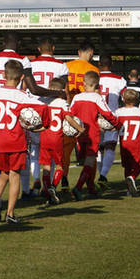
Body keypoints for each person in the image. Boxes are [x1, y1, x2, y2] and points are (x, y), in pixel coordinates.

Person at [0, 33, 62, 200]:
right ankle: (23, 192)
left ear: (3, 43)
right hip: (16, 114)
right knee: (21, 157)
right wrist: (57, 93)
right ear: (19, 43)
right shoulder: (23, 59)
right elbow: (33, 88)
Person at [0, 60, 48, 224]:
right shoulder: (22, 96)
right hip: (16, 140)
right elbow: (44, 108)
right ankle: (10, 214)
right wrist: (44, 125)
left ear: (2, 75)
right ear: (22, 77)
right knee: (15, 176)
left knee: (3, 173)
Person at [29, 36, 70, 195]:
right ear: (53, 48)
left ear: (38, 49)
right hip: (54, 111)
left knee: (34, 150)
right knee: (52, 155)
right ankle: (50, 186)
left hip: (34, 109)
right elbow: (64, 90)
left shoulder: (30, 64)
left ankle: (36, 180)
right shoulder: (61, 65)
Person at [69, 71, 118, 200]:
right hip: (92, 134)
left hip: (79, 133)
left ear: (84, 84)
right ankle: (78, 187)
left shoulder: (77, 97)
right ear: (97, 85)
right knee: (90, 161)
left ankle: (90, 187)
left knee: (86, 161)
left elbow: (70, 114)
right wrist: (117, 124)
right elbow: (107, 113)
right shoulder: (97, 98)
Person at [62, 40, 100, 191]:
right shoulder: (93, 70)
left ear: (78, 52)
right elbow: (96, 93)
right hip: (85, 112)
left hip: (68, 111)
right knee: (91, 151)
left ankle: (63, 179)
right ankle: (89, 182)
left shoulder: (67, 66)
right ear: (91, 53)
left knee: (66, 149)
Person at [39, 77, 84, 205]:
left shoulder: (44, 102)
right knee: (60, 166)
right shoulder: (62, 103)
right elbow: (69, 118)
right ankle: (53, 186)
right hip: (57, 138)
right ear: (62, 89)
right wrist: (80, 128)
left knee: (46, 166)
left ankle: (47, 193)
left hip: (44, 137)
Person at [97, 55, 127, 189]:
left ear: (99, 64)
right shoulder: (120, 80)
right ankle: (102, 176)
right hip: (111, 117)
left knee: (98, 148)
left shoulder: (93, 76)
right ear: (112, 64)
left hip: (96, 116)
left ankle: (100, 176)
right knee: (110, 146)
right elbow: (126, 97)